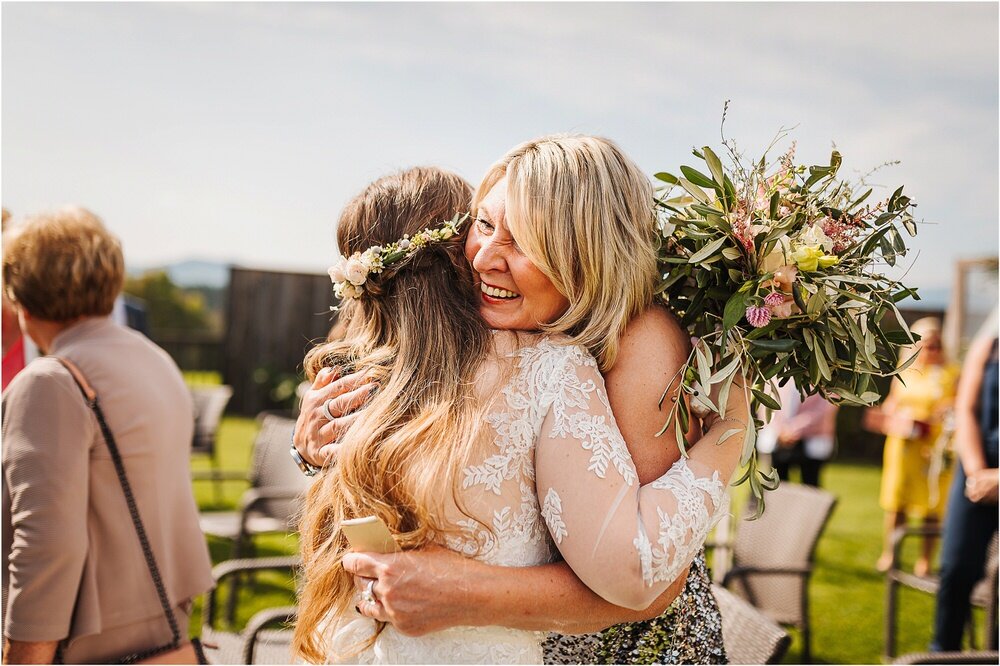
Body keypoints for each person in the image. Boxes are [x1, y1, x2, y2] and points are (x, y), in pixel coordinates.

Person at [294, 136, 740, 664]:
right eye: (482, 225)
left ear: (590, 255)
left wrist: (734, 427)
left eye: (525, 242)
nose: (483, 258)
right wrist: (320, 449)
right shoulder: (490, 340)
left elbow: (650, 583)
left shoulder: (640, 344)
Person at [1, 207, 213, 664]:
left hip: (81, 640)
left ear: (22, 297)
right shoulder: (156, 360)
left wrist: (21, 658)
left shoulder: (50, 382)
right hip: (161, 622)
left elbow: (44, 544)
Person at [931, 312, 999, 651]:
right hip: (977, 469)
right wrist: (976, 473)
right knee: (956, 569)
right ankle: (944, 652)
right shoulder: (991, 340)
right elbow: (967, 409)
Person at [872, 317, 958, 576]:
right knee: (897, 500)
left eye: (936, 346)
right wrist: (891, 417)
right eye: (926, 345)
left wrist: (940, 414)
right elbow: (891, 403)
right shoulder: (904, 371)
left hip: (934, 445)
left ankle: (925, 560)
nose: (931, 351)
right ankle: (891, 554)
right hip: (903, 444)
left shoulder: (952, 373)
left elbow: (957, 405)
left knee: (932, 504)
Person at [757, 382, 838, 487]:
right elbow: (765, 402)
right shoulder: (775, 372)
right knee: (778, 484)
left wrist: (794, 428)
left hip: (813, 438)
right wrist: (779, 429)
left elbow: (826, 406)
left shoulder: (824, 375)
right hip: (778, 439)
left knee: (810, 484)